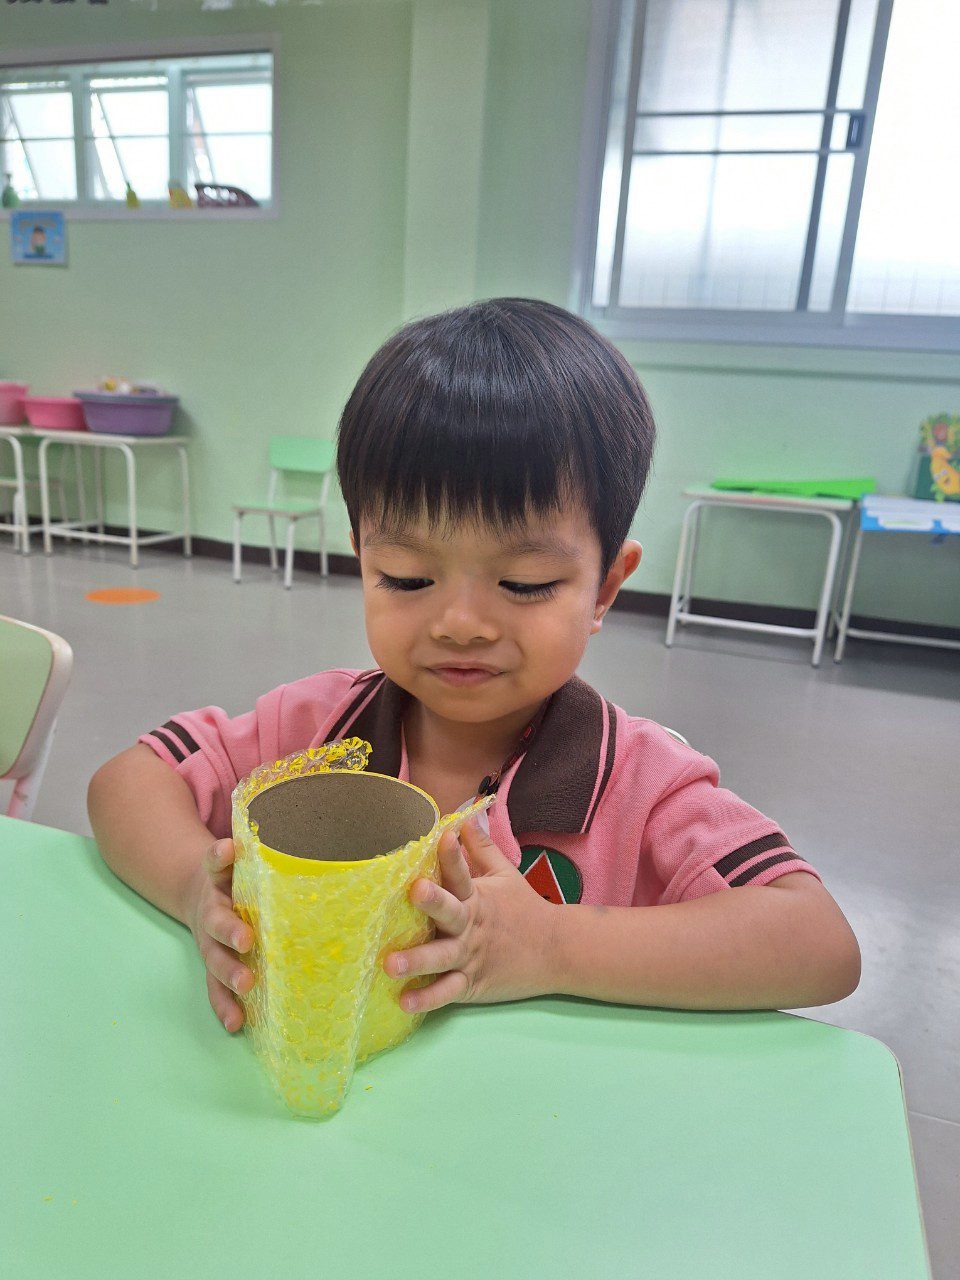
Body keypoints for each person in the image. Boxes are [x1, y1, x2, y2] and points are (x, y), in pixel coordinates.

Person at [88, 298, 860, 1034]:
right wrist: (195, 889)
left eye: (523, 583)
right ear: (362, 561)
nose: (459, 625)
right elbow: (128, 780)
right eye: (407, 578)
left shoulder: (640, 784)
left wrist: (553, 947)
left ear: (605, 588)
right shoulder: (316, 728)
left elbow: (817, 942)